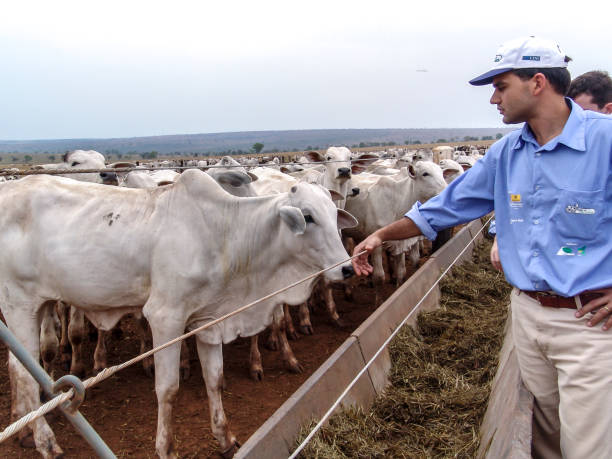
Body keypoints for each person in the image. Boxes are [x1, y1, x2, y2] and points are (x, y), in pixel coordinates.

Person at [352, 36, 612, 459]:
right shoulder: (506, 153)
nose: (494, 98)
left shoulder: (605, 140)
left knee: (590, 447)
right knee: (542, 437)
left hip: (589, 323)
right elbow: (444, 207)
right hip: (528, 313)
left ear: (538, 82)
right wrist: (380, 235)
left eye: (501, 85)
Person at [490, 68, 612, 270]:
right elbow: (533, 202)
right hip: (547, 282)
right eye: (570, 111)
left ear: (608, 110)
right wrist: (499, 234)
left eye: (582, 113)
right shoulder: (544, 150)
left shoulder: (603, 145)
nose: (571, 121)